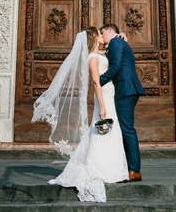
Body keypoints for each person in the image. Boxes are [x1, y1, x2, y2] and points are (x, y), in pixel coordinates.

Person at [33, 27, 128, 202]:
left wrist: (121, 37)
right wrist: (101, 105)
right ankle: (98, 169)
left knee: (110, 133)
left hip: (110, 94)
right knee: (102, 133)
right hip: (104, 97)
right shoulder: (92, 58)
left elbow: (115, 51)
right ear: (93, 39)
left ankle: (111, 168)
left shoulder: (100, 53)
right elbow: (95, 82)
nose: (102, 35)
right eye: (99, 34)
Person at [98, 23, 146, 180]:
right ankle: (127, 167)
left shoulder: (116, 42)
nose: (102, 36)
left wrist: (100, 80)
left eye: (103, 33)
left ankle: (135, 170)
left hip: (126, 89)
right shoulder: (117, 42)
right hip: (126, 89)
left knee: (127, 130)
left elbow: (117, 65)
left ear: (110, 31)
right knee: (125, 129)